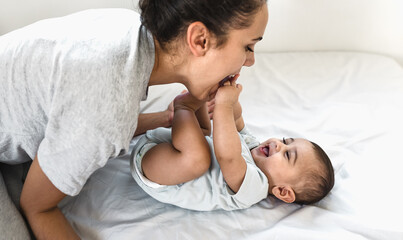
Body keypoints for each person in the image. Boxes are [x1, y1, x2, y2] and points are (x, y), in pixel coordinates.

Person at [0, 0, 269, 238]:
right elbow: (37, 206)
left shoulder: (128, 30)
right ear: (200, 39)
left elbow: (90, 117)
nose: (251, 61)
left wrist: (165, 118)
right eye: (248, 46)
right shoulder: (106, 102)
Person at [131, 80, 335, 211]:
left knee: (199, 158)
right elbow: (237, 121)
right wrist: (227, 92)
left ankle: (184, 106)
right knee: (204, 135)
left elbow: (227, 156)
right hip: (170, 146)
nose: (278, 145)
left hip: (156, 171)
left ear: (283, 191)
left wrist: (224, 106)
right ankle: (197, 98)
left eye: (288, 155)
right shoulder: (254, 148)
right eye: (284, 141)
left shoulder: (255, 187)